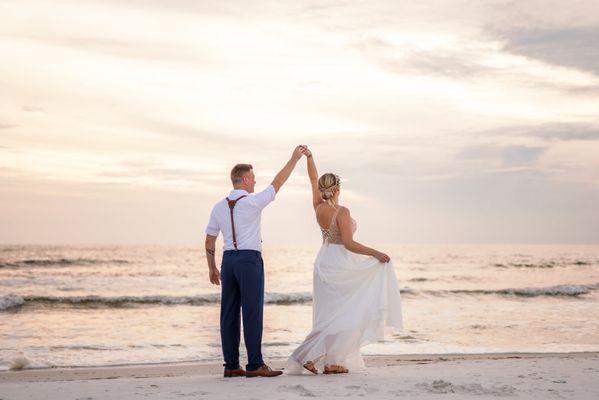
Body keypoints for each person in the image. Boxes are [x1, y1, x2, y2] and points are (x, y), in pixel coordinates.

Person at [286, 146, 403, 375]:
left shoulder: (317, 206)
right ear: (337, 189)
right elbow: (349, 244)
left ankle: (324, 360)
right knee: (347, 313)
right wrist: (375, 253)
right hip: (340, 262)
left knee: (330, 315)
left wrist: (310, 158)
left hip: (323, 261)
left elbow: (312, 178)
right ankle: (318, 358)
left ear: (322, 189)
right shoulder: (342, 211)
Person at [205, 145, 307, 378]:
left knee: (228, 313)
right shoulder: (252, 202)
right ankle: (254, 365)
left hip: (228, 261)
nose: (254, 182)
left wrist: (212, 268)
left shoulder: (219, 206)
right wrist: (293, 158)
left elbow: (210, 240)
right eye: (252, 178)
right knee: (252, 312)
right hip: (249, 260)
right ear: (242, 179)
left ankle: (231, 365)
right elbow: (278, 182)